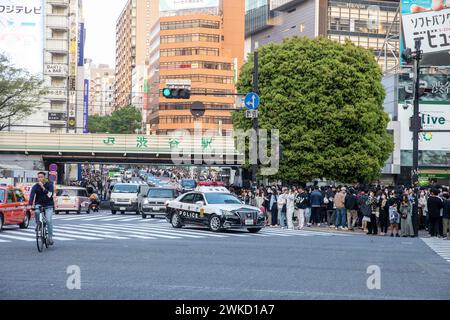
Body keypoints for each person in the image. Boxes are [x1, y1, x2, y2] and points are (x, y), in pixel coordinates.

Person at [28, 172, 55, 246]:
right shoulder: (35, 186)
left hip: (48, 205)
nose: (40, 178)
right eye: (39, 177)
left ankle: (50, 237)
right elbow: (32, 195)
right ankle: (38, 224)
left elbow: (50, 195)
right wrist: (30, 204)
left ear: (45, 178)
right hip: (39, 204)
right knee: (36, 211)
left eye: (41, 177)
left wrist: (43, 187)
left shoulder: (49, 185)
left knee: (48, 220)